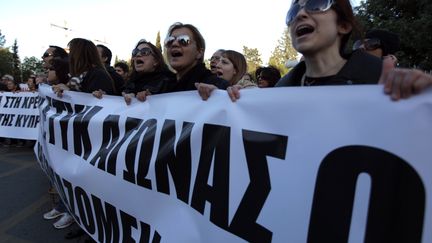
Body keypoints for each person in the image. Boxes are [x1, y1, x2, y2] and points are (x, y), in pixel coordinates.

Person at [42, 57, 76, 229]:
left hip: (70, 141)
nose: (47, 71)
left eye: (51, 69)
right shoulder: (49, 89)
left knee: (69, 176)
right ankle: (63, 206)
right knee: (59, 176)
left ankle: (72, 212)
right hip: (57, 140)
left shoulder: (71, 87)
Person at [164, 22, 229, 92]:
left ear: (199, 52)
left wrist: (219, 95)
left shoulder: (217, 85)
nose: (174, 44)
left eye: (183, 40)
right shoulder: (162, 88)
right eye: (170, 41)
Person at [121, 39, 176, 105]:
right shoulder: (129, 83)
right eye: (135, 52)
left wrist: (153, 97)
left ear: (156, 61)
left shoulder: (170, 83)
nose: (138, 55)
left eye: (144, 52)